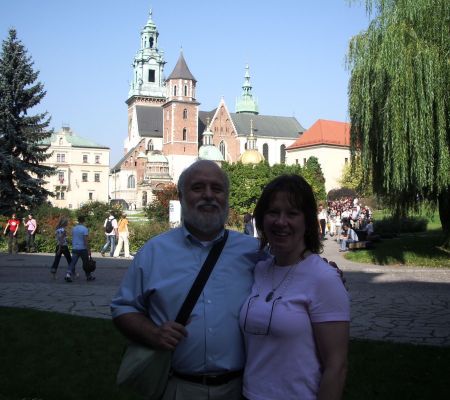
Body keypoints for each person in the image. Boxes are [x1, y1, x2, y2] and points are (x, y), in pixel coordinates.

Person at [111, 160, 342, 400]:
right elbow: (123, 308)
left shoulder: (255, 253)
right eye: (198, 187)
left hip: (240, 389)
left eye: (217, 189)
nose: (209, 195)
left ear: (226, 197)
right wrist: (152, 333)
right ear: (181, 196)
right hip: (179, 387)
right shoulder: (153, 252)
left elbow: (294, 268)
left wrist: (323, 273)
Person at [240, 175, 349, 400]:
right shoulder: (259, 270)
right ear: (261, 219)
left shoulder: (323, 278)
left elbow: (336, 367)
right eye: (273, 212)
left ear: (307, 222)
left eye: (292, 213)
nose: (281, 222)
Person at [65, 215, 95, 282]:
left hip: (75, 248)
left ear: (78, 221)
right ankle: (88, 276)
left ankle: (68, 274)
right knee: (86, 263)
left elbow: (72, 237)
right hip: (83, 248)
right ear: (84, 221)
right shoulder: (85, 229)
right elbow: (85, 240)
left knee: (73, 262)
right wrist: (89, 249)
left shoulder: (74, 228)